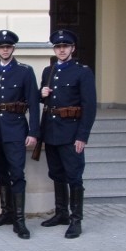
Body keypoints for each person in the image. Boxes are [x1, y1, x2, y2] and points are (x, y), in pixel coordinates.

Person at [39, 29, 97, 239]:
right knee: (56, 174)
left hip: (71, 132)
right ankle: (61, 213)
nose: (61, 50)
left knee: (74, 176)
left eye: (65, 46)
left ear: (72, 48)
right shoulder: (49, 71)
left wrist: (82, 136)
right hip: (52, 131)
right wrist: (41, 94)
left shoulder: (82, 72)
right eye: (58, 46)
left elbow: (89, 106)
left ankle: (76, 219)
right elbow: (46, 100)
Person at [0, 30, 39, 239]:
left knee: (17, 173)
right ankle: (6, 212)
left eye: (8, 47)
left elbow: (33, 102)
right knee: (0, 172)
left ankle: (19, 220)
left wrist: (34, 132)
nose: (4, 50)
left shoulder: (24, 71)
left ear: (13, 48)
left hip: (15, 129)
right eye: (1, 47)